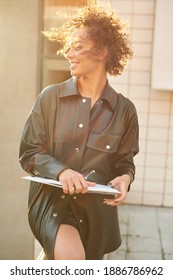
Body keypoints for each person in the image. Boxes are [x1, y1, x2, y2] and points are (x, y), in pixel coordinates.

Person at [19, 3, 139, 260]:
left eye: (78, 47)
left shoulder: (125, 111)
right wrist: (62, 171)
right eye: (69, 46)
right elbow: (29, 154)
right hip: (52, 205)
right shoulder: (50, 98)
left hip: (97, 213)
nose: (68, 53)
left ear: (103, 51)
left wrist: (125, 180)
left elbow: (124, 163)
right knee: (73, 262)